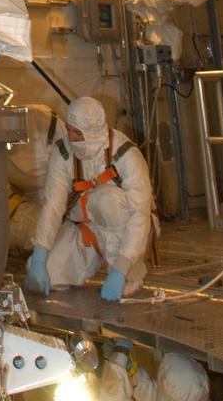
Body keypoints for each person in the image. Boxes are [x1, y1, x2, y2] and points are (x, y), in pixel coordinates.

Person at [23, 96, 154, 301]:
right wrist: (40, 255)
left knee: (106, 199)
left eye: (77, 133)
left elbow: (140, 215)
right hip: (86, 230)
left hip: (126, 226)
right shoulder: (64, 152)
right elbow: (53, 206)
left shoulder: (126, 154)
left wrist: (121, 269)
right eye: (69, 129)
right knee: (49, 274)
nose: (72, 138)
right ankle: (88, 259)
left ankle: (129, 274)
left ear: (93, 131)